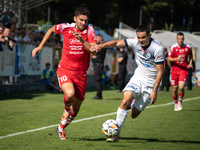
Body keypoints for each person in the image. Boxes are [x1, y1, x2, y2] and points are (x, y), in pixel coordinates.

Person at [90, 25, 164, 142]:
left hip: (151, 84)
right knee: (124, 101)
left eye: (143, 37)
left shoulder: (157, 49)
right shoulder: (135, 42)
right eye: (139, 37)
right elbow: (116, 43)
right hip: (138, 78)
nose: (141, 40)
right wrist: (100, 46)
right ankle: (116, 134)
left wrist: (154, 90)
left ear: (150, 36)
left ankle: (134, 102)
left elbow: (160, 71)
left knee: (133, 115)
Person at [32, 7, 97, 140]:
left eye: (86, 20)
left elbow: (93, 51)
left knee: (76, 110)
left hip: (81, 73)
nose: (83, 23)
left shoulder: (90, 30)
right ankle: (65, 110)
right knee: (70, 94)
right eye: (81, 20)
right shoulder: (65, 27)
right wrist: (40, 45)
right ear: (75, 18)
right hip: (65, 69)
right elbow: (50, 30)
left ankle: (60, 128)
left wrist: (82, 41)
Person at [168, 32, 193, 111]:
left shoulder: (188, 47)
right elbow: (169, 59)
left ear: (183, 39)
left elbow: (191, 55)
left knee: (181, 87)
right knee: (174, 89)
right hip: (175, 70)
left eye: (182, 39)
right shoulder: (173, 47)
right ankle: (175, 103)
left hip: (183, 70)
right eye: (179, 39)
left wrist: (190, 63)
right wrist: (176, 59)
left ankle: (180, 102)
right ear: (176, 39)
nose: (180, 40)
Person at [91, 34, 107, 100]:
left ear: (101, 38)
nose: (96, 40)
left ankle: (99, 95)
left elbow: (94, 54)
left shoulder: (102, 46)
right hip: (96, 64)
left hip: (98, 64)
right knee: (97, 79)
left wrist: (92, 52)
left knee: (97, 80)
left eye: (97, 38)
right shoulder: (99, 45)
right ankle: (98, 94)